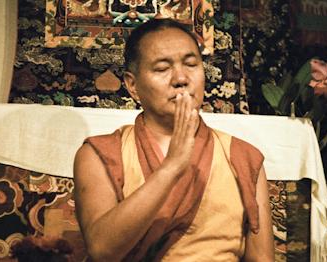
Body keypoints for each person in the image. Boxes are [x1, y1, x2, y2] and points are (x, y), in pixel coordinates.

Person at [73, 18, 275, 262]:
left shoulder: (242, 156)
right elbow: (102, 250)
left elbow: (261, 259)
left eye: (191, 64)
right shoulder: (101, 154)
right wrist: (171, 167)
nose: (181, 78)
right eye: (161, 68)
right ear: (132, 85)